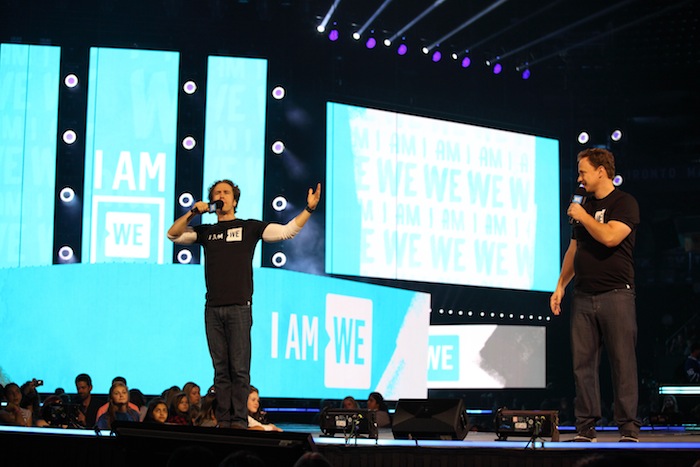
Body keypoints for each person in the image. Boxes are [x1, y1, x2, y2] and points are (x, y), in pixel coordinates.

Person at [167, 179, 321, 428]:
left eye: (226, 192)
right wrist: (194, 212)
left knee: (239, 369)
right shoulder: (206, 232)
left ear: (235, 200)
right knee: (220, 370)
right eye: (217, 193)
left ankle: (239, 421)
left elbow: (286, 231)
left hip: (239, 307)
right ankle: (224, 420)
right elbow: (172, 235)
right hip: (213, 309)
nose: (221, 196)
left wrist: (309, 209)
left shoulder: (248, 228)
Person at [550, 147, 641, 443]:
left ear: (601, 171)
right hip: (584, 295)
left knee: (622, 361)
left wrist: (583, 216)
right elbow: (574, 250)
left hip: (617, 294)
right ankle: (585, 427)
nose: (579, 178)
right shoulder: (583, 204)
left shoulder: (624, 202)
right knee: (583, 364)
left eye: (583, 172)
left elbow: (611, 236)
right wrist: (561, 285)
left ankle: (627, 428)